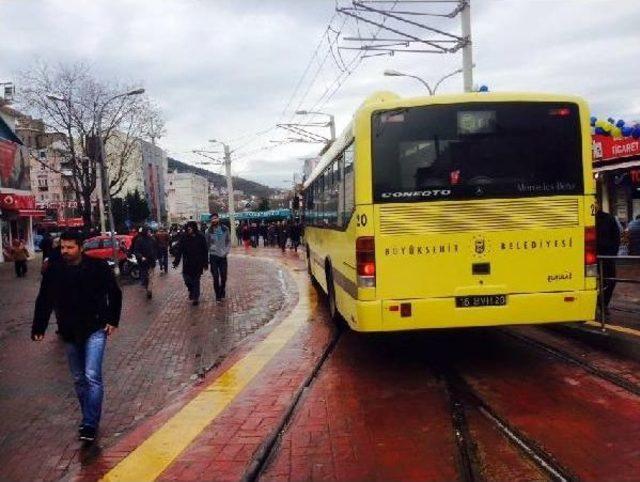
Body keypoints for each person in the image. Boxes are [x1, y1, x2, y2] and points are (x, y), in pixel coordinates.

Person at [31, 231, 122, 443]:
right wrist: (39, 326)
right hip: (69, 331)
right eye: (62, 247)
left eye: (69, 247)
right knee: (79, 379)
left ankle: (90, 423)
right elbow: (44, 298)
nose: (65, 251)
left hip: (95, 328)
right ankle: (87, 415)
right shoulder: (55, 270)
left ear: (80, 247)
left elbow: (114, 293)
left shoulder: (98, 267)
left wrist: (112, 320)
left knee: (91, 375)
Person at [173, 221, 208, 305]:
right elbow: (179, 250)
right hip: (187, 263)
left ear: (194, 227)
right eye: (188, 227)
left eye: (191, 226)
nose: (189, 228)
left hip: (198, 263)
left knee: (196, 280)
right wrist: (176, 262)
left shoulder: (200, 237)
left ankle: (195, 297)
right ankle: (191, 290)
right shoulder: (184, 237)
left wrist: (205, 263)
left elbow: (205, 251)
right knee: (187, 279)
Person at [596, 204, 621, 313]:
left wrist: (612, 253)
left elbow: (616, 236)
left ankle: (602, 303)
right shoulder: (582, 216)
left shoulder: (608, 218)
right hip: (587, 257)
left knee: (610, 281)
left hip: (606, 256)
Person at [206, 213, 231, 301]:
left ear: (218, 219)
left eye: (215, 218)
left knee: (224, 277)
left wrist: (226, 251)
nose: (214, 220)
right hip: (213, 256)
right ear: (211, 221)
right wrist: (211, 250)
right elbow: (207, 244)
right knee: (215, 276)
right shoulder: (208, 231)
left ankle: (222, 289)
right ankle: (218, 295)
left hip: (223, 256)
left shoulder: (225, 229)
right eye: (212, 219)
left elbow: (228, 241)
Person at [132, 227, 158, 299]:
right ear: (145, 232)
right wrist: (141, 257)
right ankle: (147, 289)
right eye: (148, 231)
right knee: (145, 278)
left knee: (151, 277)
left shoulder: (152, 240)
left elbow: (156, 249)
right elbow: (136, 251)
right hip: (143, 263)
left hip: (151, 262)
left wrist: (155, 256)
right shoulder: (139, 241)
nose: (150, 233)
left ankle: (149, 291)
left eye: (150, 231)